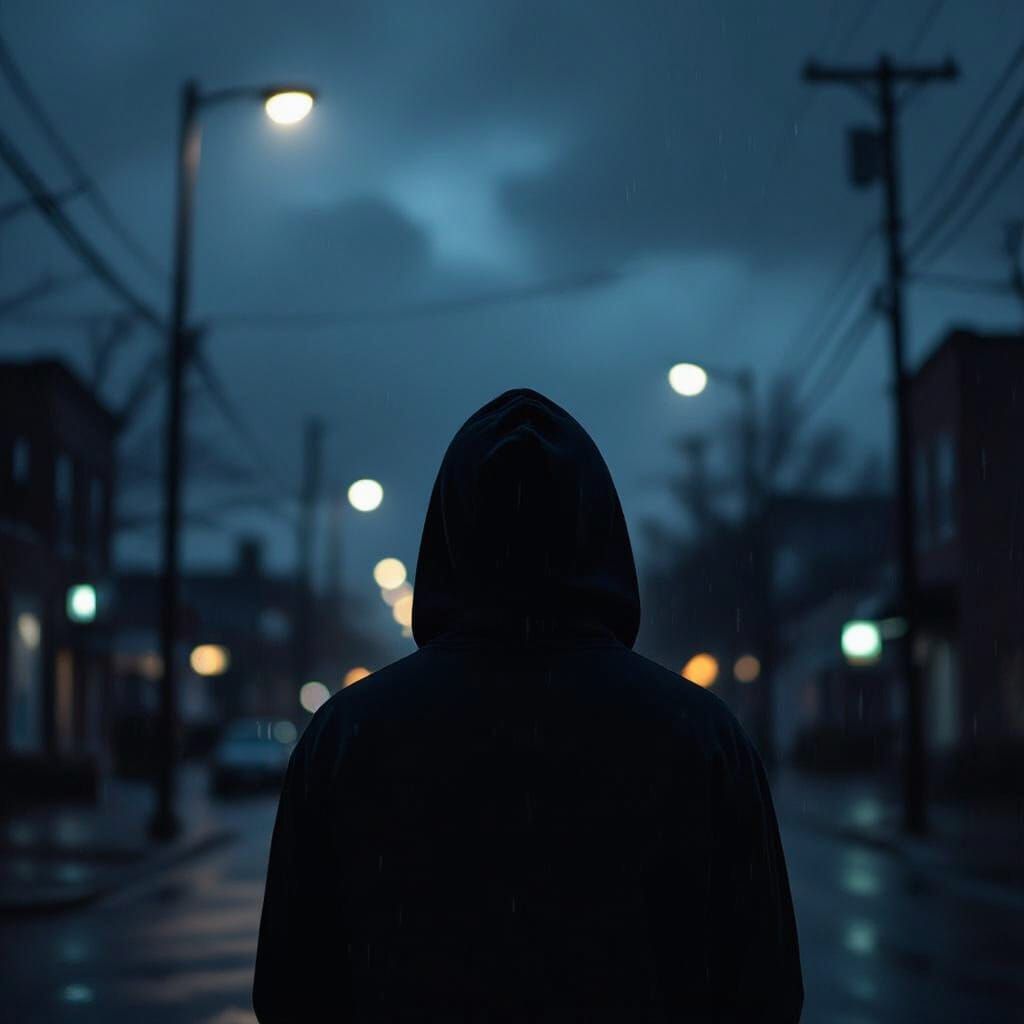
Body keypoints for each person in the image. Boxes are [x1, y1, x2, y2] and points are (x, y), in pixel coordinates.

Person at [253, 388, 803, 1022]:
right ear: (598, 528)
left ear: (449, 531)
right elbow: (766, 990)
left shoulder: (345, 737)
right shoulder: (703, 736)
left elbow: (290, 988)